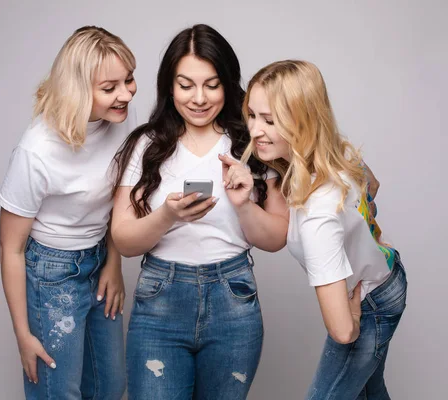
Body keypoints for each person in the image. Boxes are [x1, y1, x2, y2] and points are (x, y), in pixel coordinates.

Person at [111, 24, 289, 399]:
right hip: (160, 300)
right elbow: (124, 240)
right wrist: (167, 217)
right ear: (169, 86)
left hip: (233, 300)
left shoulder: (253, 142)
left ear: (227, 83)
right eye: (185, 85)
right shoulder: (146, 144)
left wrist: (243, 206)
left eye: (212, 84)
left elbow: (275, 239)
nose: (198, 98)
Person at [241, 59, 407, 399]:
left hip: (371, 301)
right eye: (253, 115)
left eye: (270, 120)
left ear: (303, 121)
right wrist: (357, 221)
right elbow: (372, 185)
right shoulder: (336, 149)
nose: (255, 130)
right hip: (391, 274)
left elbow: (344, 331)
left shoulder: (317, 215)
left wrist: (356, 317)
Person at [0, 26, 137, 400]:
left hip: (98, 260)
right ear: (77, 90)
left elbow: (116, 203)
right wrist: (23, 335)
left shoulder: (119, 123)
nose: (125, 93)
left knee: (110, 386)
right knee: (59, 393)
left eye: (129, 79)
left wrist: (113, 263)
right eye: (110, 88)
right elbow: (11, 249)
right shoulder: (37, 150)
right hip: (52, 275)